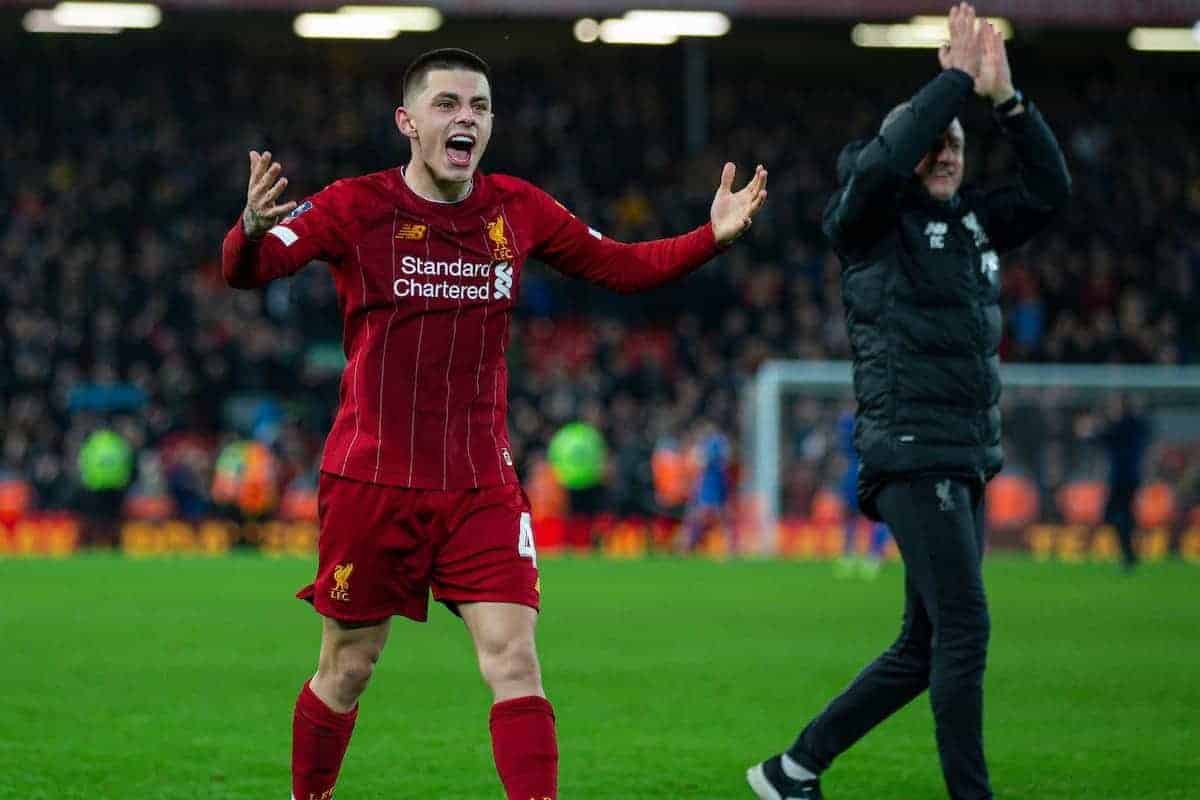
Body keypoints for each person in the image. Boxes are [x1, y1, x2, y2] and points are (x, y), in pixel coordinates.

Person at [221, 48, 767, 800]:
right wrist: (248, 230)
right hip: (373, 478)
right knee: (348, 667)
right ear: (407, 122)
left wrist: (710, 237)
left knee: (514, 662)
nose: (466, 119)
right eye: (447, 104)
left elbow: (623, 267)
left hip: (480, 482)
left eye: (478, 106)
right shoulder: (355, 206)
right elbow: (248, 272)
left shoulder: (520, 209)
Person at [747, 6, 1069, 799]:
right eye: (935, 141)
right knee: (966, 629)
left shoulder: (975, 226)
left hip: (964, 453)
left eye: (958, 144)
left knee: (923, 648)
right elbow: (886, 158)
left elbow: (1051, 191)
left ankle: (792, 769)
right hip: (912, 449)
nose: (947, 154)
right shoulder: (870, 219)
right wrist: (952, 82)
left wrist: (1008, 102)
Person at [1078, 394, 1152, 572]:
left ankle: (1129, 551)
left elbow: (1096, 437)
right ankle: (1129, 552)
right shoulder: (1136, 425)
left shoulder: (1120, 427)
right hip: (1133, 477)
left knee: (1112, 515)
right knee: (1124, 514)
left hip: (1121, 478)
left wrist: (1087, 429)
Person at [832, 409, 890, 580]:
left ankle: (848, 556)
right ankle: (874, 556)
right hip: (873, 472)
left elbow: (842, 449)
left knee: (851, 516)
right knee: (879, 516)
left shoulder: (848, 421)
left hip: (852, 473)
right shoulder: (879, 419)